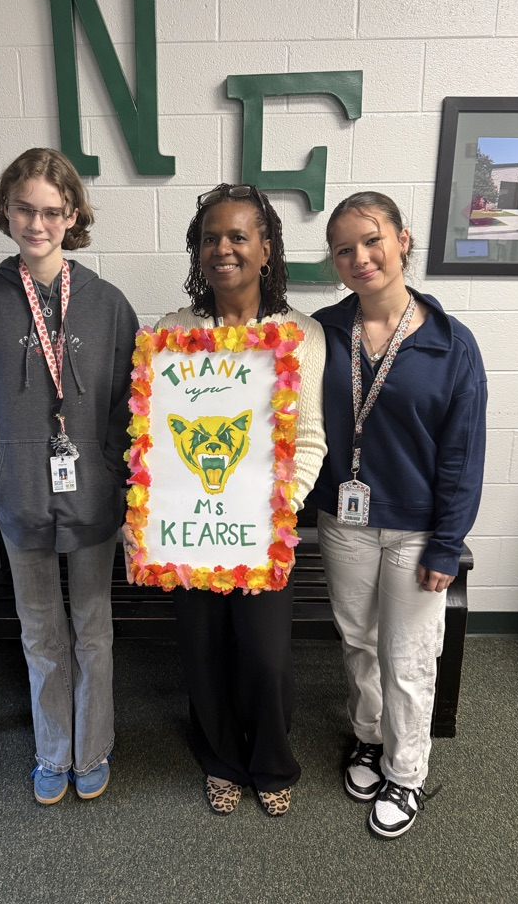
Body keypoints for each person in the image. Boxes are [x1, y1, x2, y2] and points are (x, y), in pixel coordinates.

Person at [128, 183, 327, 816]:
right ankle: (219, 760)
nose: (224, 249)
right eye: (211, 237)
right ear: (197, 249)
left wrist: (279, 506)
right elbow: (155, 437)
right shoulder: (171, 332)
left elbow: (313, 439)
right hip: (192, 528)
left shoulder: (302, 335)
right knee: (204, 651)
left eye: (239, 236)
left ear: (266, 248)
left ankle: (271, 761)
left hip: (265, 531)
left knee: (265, 657)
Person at [0, 148, 138, 805]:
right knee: (40, 633)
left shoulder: (109, 305)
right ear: (5, 211)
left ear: (73, 216)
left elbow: (127, 405)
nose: (38, 223)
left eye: (52, 211)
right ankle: (53, 752)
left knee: (93, 627)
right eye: (25, 209)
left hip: (94, 497)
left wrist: (114, 471)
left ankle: (94, 748)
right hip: (20, 495)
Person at [311, 191, 486, 839]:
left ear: (402, 240)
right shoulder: (323, 333)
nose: (361, 258)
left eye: (372, 240)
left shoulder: (449, 344)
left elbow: (463, 454)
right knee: (358, 641)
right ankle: (367, 738)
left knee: (408, 654)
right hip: (344, 521)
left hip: (417, 529)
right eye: (344, 249)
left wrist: (448, 545)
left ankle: (406, 772)